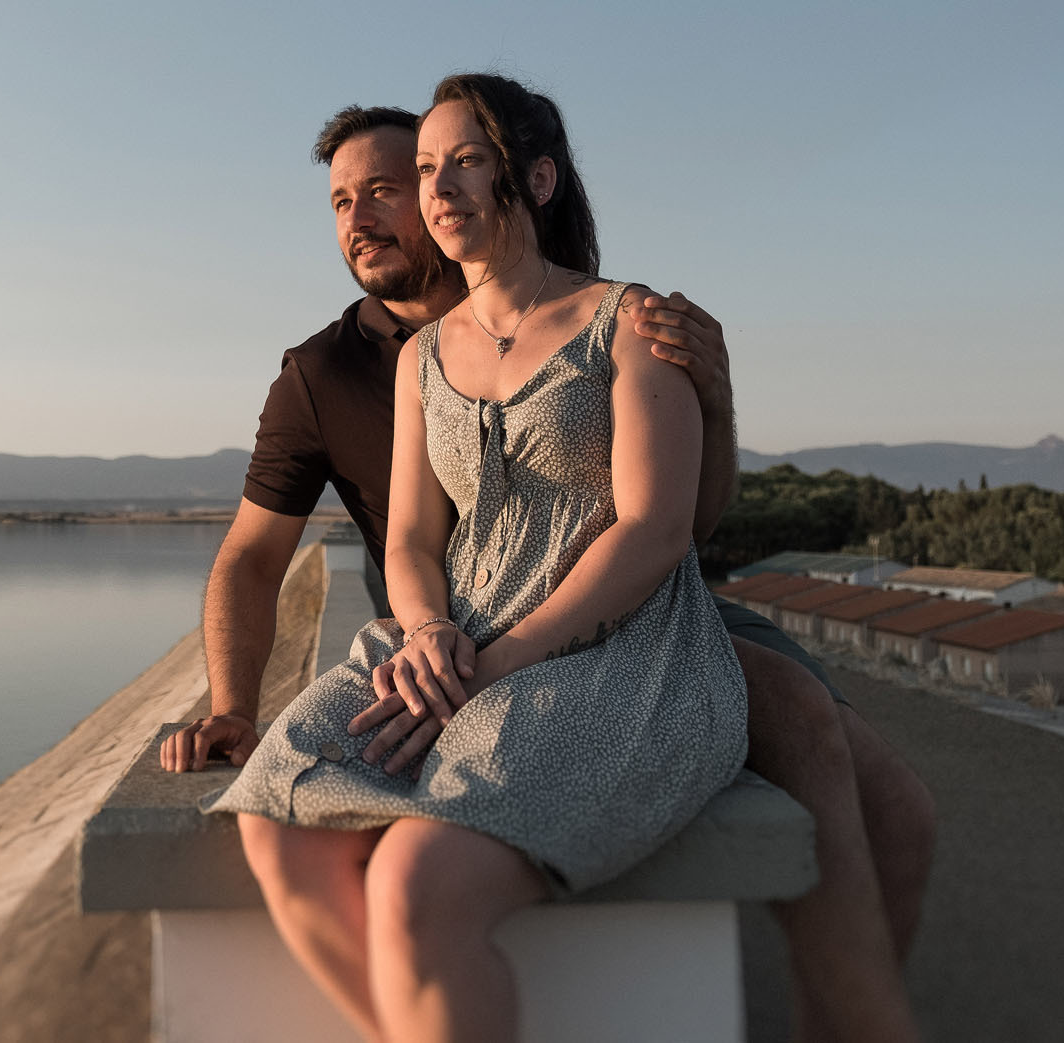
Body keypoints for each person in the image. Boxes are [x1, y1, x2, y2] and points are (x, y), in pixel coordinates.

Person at [163, 86, 928, 1043]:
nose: (384, 208)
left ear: (533, 176)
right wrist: (245, 698)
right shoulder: (346, 369)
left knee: (858, 769)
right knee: (277, 812)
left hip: (617, 626)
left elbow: (669, 526)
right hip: (448, 629)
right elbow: (312, 547)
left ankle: (856, 1021)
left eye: (414, 177)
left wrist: (716, 402)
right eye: (345, 199)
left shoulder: (618, 313)